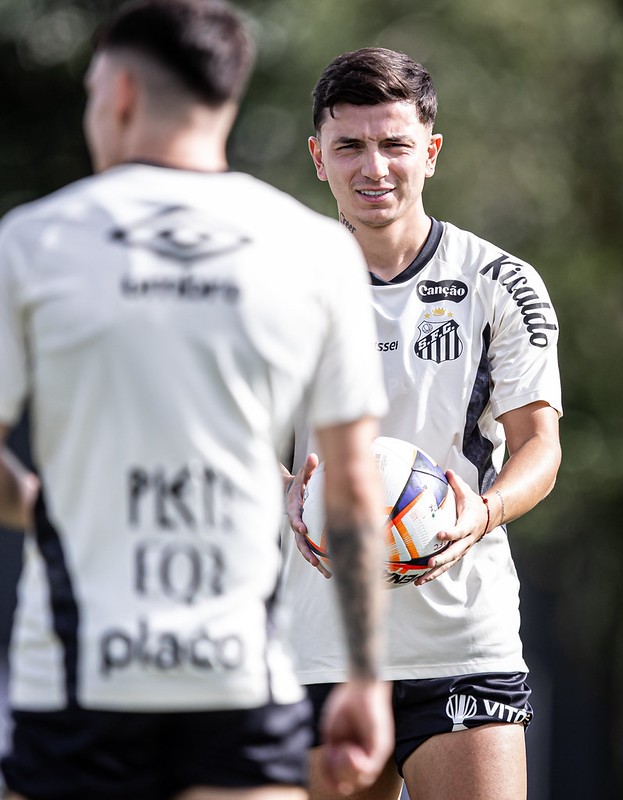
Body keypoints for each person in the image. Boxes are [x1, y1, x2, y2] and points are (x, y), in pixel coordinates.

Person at [0, 4, 395, 798]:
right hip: (241, 679)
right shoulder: (314, 250)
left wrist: (34, 505)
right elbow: (352, 488)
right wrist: (365, 677)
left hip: (77, 678)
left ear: (116, 94)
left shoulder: (34, 241)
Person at [281, 47, 562, 800]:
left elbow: (539, 444)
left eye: (395, 144)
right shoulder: (274, 287)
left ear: (429, 153)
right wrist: (278, 490)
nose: (374, 167)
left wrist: (485, 511)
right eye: (350, 146)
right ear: (318, 157)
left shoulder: (500, 281)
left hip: (461, 638)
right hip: (318, 645)